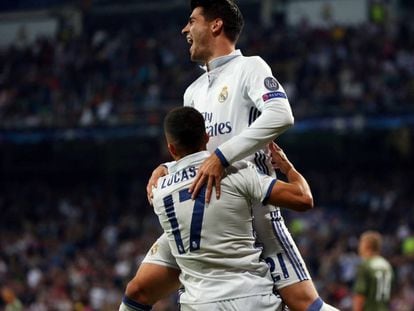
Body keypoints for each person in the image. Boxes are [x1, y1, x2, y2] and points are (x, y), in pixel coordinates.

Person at [143, 1, 339, 310]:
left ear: (215, 25)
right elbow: (196, 153)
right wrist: (166, 167)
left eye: (192, 21)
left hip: (257, 212)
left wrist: (222, 157)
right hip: (214, 221)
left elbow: (281, 114)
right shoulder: (192, 91)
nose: (185, 29)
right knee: (139, 288)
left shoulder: (250, 67)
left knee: (304, 303)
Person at [120, 106, 314, 311]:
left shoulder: (158, 190)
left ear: (171, 149)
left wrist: (164, 168)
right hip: (252, 299)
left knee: (136, 291)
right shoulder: (238, 172)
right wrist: (288, 168)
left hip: (198, 303)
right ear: (207, 137)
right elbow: (303, 198)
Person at [353, 230, 393, 311]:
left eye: (361, 242)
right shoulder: (387, 266)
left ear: (367, 245)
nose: (359, 246)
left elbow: (360, 296)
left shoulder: (366, 265)